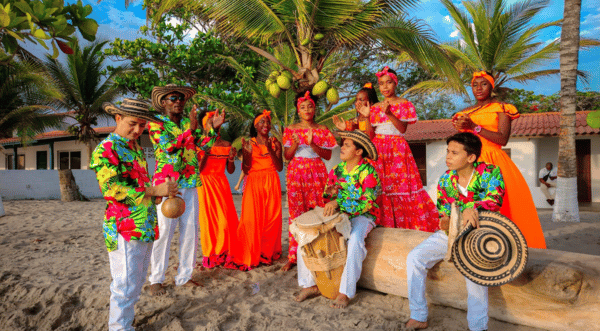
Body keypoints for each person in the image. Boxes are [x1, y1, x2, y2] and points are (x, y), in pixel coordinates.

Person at [90, 99, 179, 330]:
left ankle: (126, 322)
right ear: (117, 118)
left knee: (136, 281)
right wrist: (153, 190)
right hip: (123, 227)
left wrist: (159, 194)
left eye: (142, 125)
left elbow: (138, 186)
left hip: (144, 224)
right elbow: (112, 191)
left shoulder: (134, 146)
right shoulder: (106, 149)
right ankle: (119, 327)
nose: (138, 130)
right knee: (124, 285)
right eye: (133, 124)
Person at [405, 132, 505, 331]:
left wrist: (472, 206)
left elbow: (495, 200)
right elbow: (442, 209)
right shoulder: (445, 179)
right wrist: (444, 220)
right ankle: (418, 315)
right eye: (447, 151)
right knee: (415, 258)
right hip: (452, 233)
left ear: (471, 157)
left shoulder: (491, 172)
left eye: (454, 152)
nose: (448, 157)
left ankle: (478, 327)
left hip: (483, 234)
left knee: (473, 272)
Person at [453, 71, 547, 249]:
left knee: (502, 204)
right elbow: (464, 142)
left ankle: (506, 246)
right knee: (469, 203)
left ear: (491, 87)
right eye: (475, 85)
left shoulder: (502, 108)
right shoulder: (464, 113)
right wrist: (461, 129)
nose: (479, 88)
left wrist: (474, 126)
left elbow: (502, 139)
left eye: (484, 84)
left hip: (494, 160)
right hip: (471, 162)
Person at [147, 84, 225, 295]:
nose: (179, 102)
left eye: (181, 99)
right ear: (163, 103)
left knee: (190, 232)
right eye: (174, 98)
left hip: (190, 183)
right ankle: (156, 279)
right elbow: (169, 148)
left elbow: (205, 145)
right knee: (163, 233)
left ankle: (185, 276)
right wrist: (190, 130)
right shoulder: (156, 124)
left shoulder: (185, 122)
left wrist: (214, 129)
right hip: (167, 185)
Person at [295, 130, 381, 309]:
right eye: (343, 144)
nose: (342, 147)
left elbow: (367, 202)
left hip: (363, 216)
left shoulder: (369, 172)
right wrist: (331, 200)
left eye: (347, 145)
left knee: (355, 240)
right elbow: (328, 196)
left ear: (358, 152)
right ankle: (309, 285)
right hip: (341, 216)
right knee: (306, 236)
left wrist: (339, 202)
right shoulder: (337, 170)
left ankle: (345, 292)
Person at [361, 66, 439, 230]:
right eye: (381, 84)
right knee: (380, 188)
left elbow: (402, 129)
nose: (385, 87)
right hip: (378, 151)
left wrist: (389, 113)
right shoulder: (374, 108)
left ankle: (405, 228)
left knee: (400, 187)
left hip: (397, 150)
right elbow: (370, 136)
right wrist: (368, 117)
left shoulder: (405, 104)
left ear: (395, 84)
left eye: (389, 82)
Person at [282, 91, 337, 272]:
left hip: (317, 172)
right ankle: (293, 256)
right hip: (296, 173)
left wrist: (313, 144)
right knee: (296, 214)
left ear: (315, 109)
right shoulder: (290, 129)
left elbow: (328, 155)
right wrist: (297, 143)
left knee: (320, 210)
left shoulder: (322, 129)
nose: (306, 110)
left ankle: (320, 251)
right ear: (298, 110)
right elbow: (287, 156)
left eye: (310, 106)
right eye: (302, 107)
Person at [226, 110, 284, 270]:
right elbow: (246, 168)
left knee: (272, 219)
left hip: (272, 180)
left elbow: (279, 167)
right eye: (262, 122)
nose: (266, 125)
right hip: (253, 182)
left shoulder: (275, 143)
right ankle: (250, 253)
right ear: (255, 125)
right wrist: (246, 153)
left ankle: (266, 254)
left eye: (267, 122)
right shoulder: (249, 143)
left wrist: (271, 149)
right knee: (251, 219)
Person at [196, 111, 239, 268]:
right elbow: (198, 169)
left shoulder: (227, 144)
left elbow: (231, 170)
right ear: (205, 125)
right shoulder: (200, 142)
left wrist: (232, 158)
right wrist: (206, 152)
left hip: (221, 183)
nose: (214, 124)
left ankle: (226, 252)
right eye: (210, 121)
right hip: (205, 184)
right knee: (209, 222)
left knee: (226, 221)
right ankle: (211, 254)